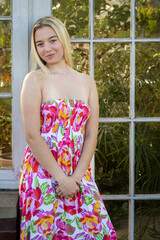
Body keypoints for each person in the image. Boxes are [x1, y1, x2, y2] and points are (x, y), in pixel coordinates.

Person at [19, 16, 117, 240]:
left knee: (97, 232)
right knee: (46, 234)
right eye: (40, 44)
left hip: (79, 173)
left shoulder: (86, 81)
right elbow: (32, 136)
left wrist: (76, 178)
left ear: (63, 40)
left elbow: (91, 134)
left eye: (52, 40)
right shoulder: (34, 80)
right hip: (42, 173)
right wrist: (61, 179)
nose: (47, 48)